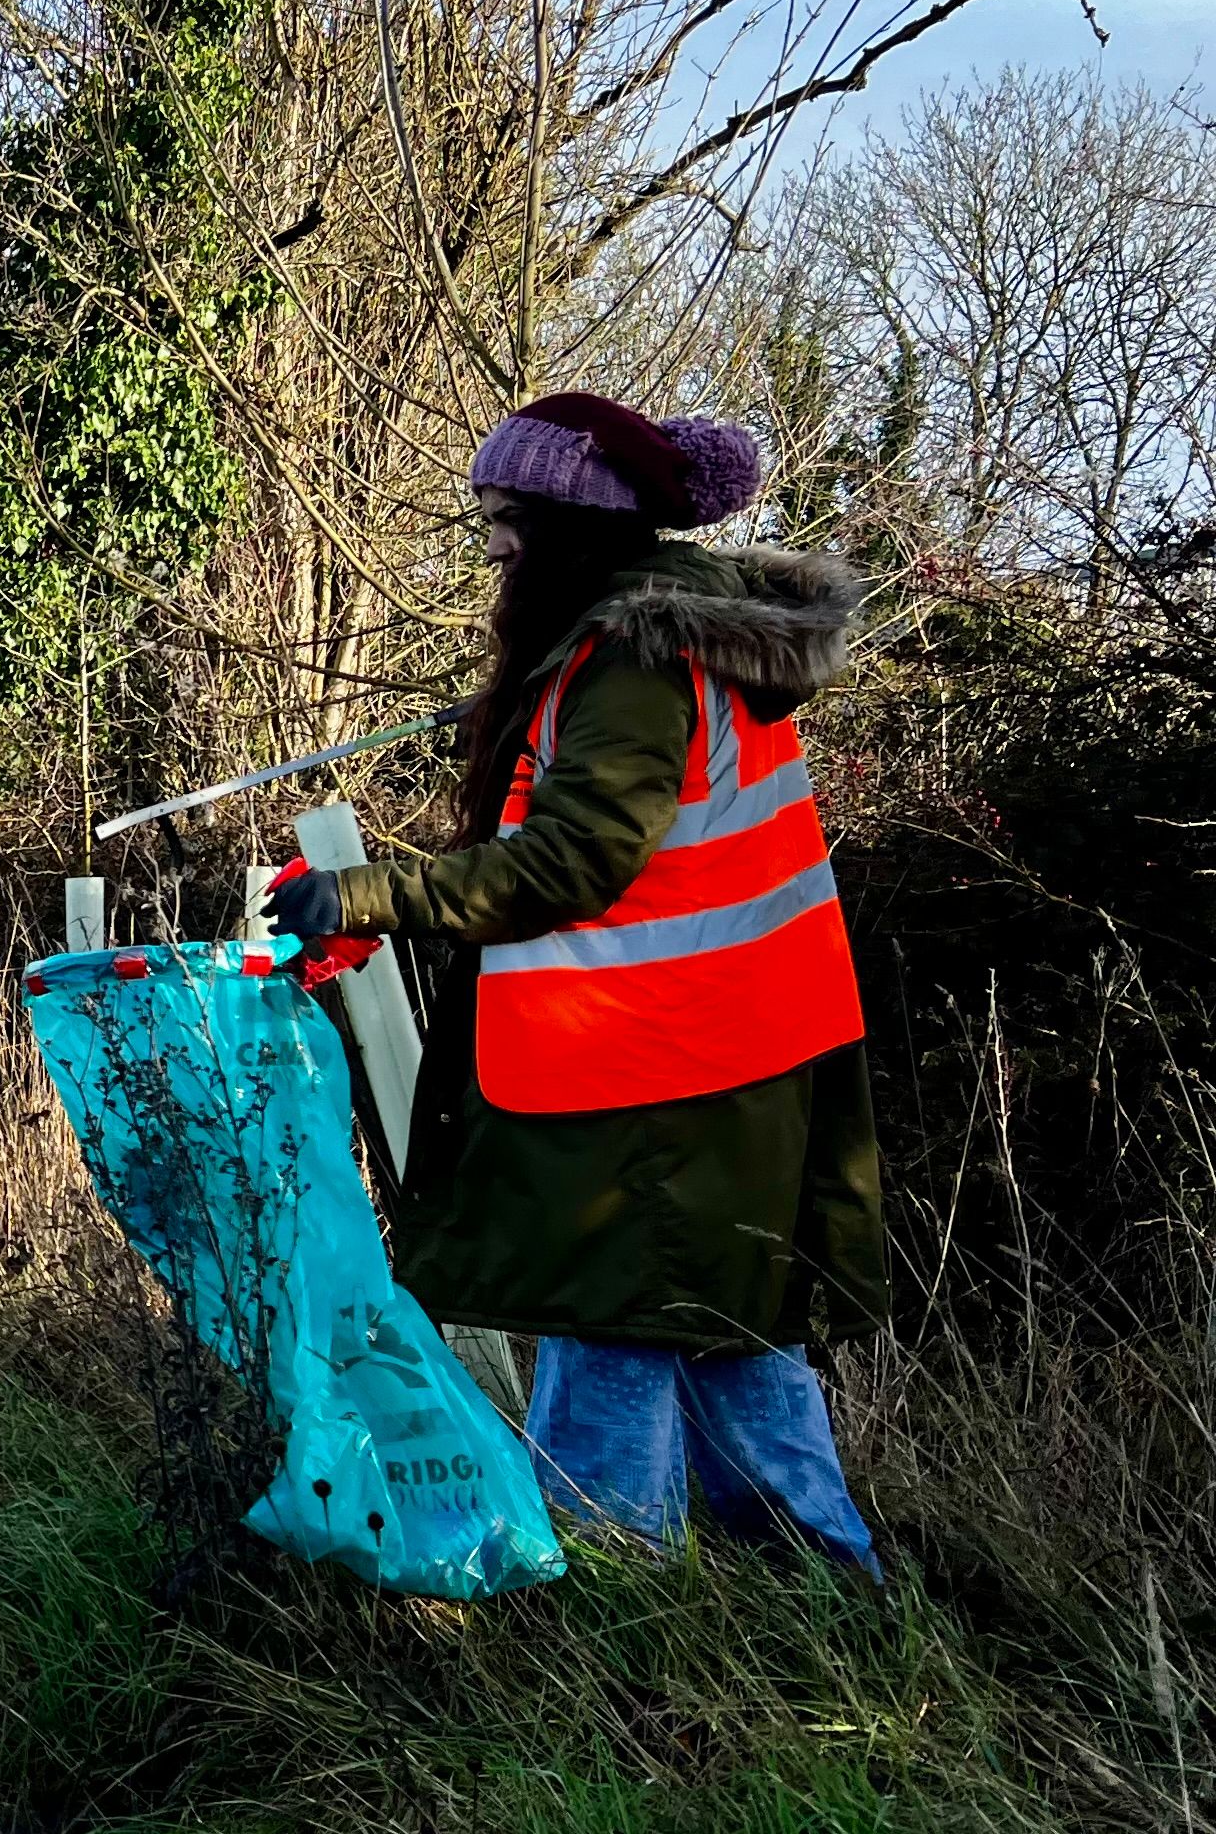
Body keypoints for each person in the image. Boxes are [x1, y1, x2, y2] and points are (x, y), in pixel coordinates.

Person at [265, 392, 886, 1574]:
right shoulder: (663, 644)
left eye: (507, 516)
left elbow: (573, 862)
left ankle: (610, 1598)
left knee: (611, 1325)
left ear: (572, 524)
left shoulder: (633, 662)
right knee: (728, 1324)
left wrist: (366, 896)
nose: (494, 542)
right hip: (728, 1058)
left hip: (651, 1071)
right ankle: (820, 1590)